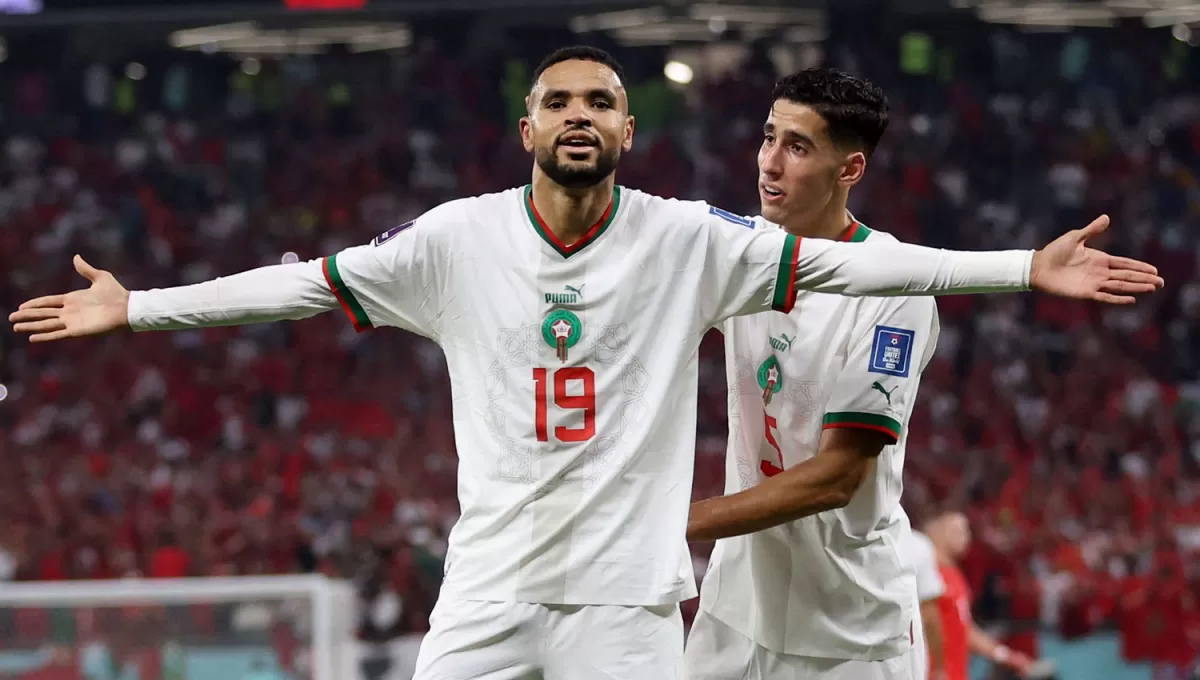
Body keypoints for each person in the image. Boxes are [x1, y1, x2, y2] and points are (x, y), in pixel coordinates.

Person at [10, 48, 1160, 680]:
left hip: (638, 605)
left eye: (601, 100)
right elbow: (306, 284)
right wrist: (141, 306)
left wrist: (1022, 267)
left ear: (627, 131)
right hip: (495, 591)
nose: (578, 112)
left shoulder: (687, 240)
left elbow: (875, 274)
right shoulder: (455, 239)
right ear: (524, 128)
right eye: (556, 98)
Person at [682, 69, 1064, 680]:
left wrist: (675, 524)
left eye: (798, 146)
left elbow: (836, 478)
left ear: (850, 170)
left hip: (848, 631)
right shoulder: (742, 256)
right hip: (736, 609)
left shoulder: (896, 295)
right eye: (769, 137)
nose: (769, 164)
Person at [926, 511, 1036, 680]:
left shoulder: (955, 576)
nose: (966, 537)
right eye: (957, 530)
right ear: (937, 533)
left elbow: (965, 629)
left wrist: (1005, 655)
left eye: (967, 530)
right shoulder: (927, 575)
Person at [909, 529, 949, 680]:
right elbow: (930, 616)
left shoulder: (832, 536)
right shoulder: (917, 545)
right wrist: (939, 668)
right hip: (903, 660)